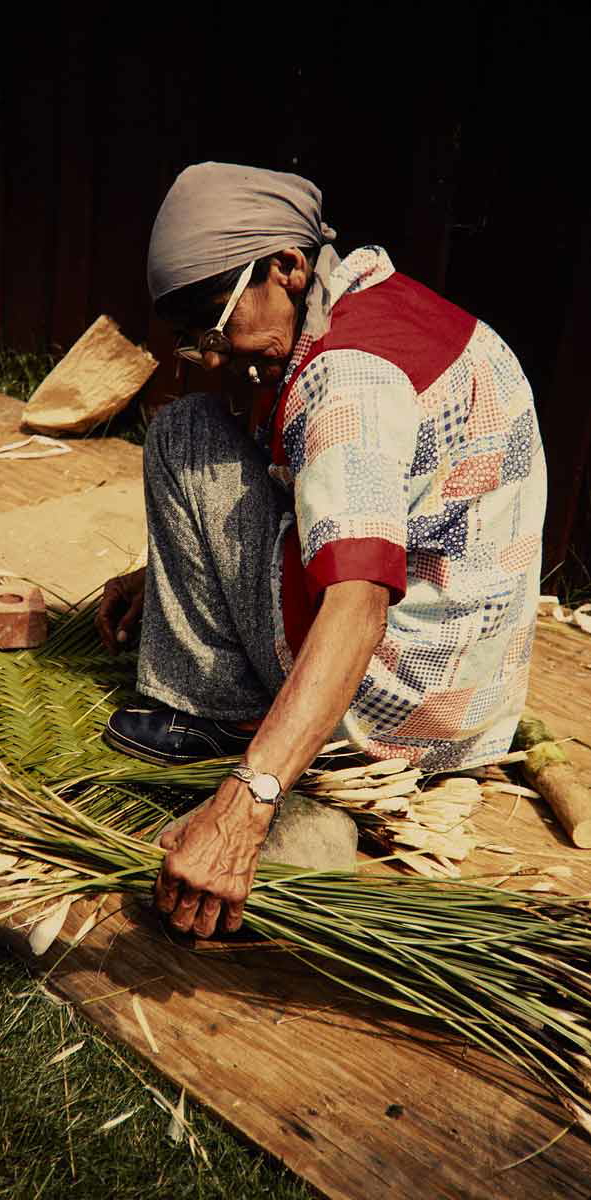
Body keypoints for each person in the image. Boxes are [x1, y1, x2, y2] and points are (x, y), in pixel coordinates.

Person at [95, 162, 547, 941]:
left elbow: (359, 603)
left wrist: (246, 803)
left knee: (187, 433)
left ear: (287, 268)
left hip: (386, 716)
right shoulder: (376, 307)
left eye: (214, 325)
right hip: (470, 702)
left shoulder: (347, 383)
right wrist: (167, 570)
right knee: (221, 421)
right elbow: (348, 491)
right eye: (192, 339)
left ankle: (215, 715)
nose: (209, 356)